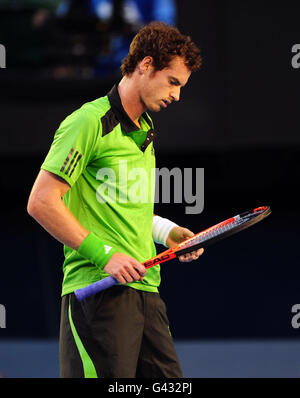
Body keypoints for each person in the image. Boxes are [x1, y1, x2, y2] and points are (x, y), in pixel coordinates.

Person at [27, 21, 202, 378]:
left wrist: (167, 232)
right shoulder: (88, 122)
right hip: (98, 292)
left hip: (146, 293)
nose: (177, 96)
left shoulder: (145, 131)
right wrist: (105, 256)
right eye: (173, 82)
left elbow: (125, 208)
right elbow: (42, 202)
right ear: (146, 65)